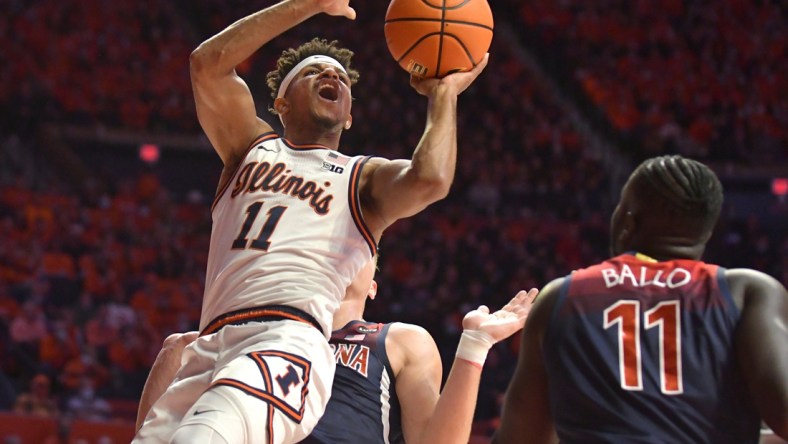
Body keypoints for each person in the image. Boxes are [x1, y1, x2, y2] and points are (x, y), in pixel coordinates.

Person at [134, 0, 489, 440]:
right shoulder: (248, 148)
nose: (331, 77)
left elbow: (431, 178)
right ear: (280, 102)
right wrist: (308, 4)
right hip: (212, 343)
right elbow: (207, 64)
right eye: (313, 72)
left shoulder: (363, 178)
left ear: (350, 113)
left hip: (286, 342)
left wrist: (443, 94)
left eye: (340, 77)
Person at [494, 155, 788, 443]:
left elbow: (521, 437)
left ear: (628, 220)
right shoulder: (748, 292)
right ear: (707, 231)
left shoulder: (563, 296)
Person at [136, 258, 538, 443]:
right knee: (178, 347)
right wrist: (181, 352)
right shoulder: (258, 329)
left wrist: (475, 344)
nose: (346, 251)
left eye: (361, 248)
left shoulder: (396, 339)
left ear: (373, 286)